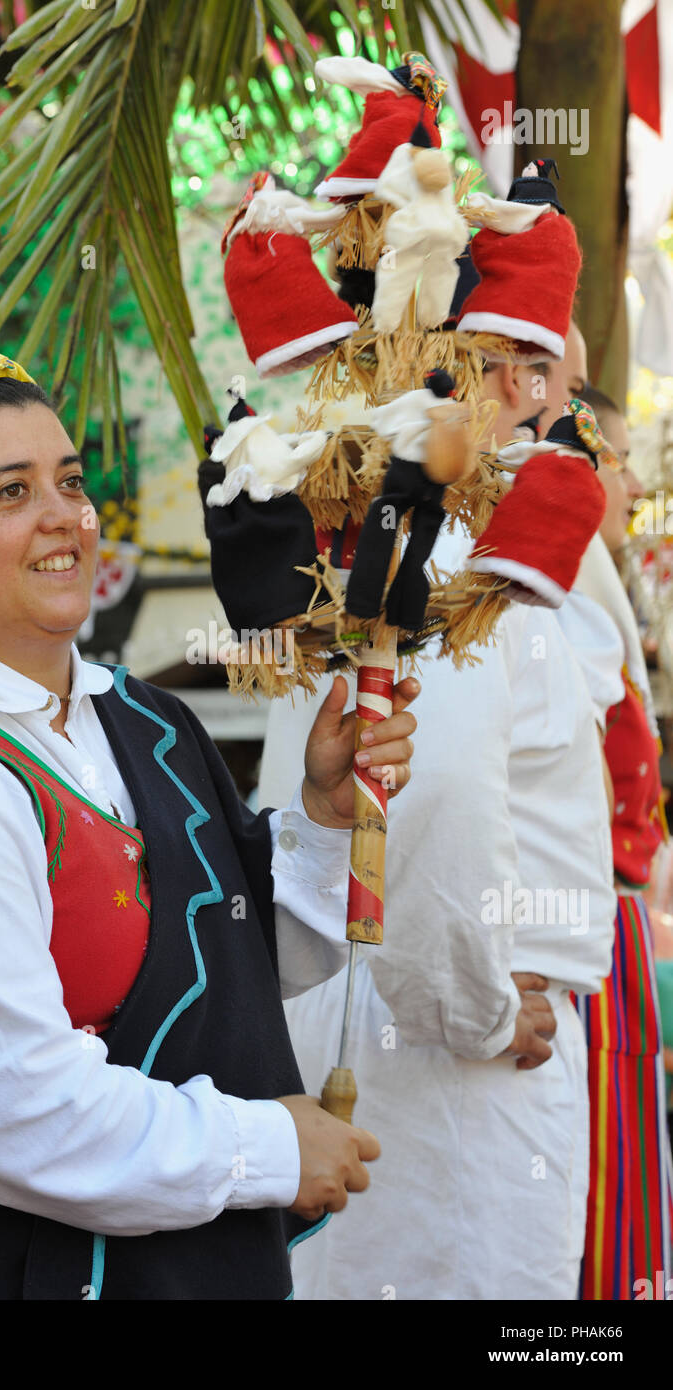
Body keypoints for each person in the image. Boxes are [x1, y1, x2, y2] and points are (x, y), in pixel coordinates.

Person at [0, 352, 419, 1301]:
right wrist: (268, 1147)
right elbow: (19, 1121)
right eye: (11, 492)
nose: (65, 516)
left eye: (71, 482)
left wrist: (321, 821)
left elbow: (241, 977)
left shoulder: (146, 721)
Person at [280, 352, 617, 1300]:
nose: (564, 411)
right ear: (512, 376)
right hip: (459, 1053)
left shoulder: (396, 539)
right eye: (554, 375)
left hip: (418, 1024)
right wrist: (478, 1014)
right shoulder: (454, 557)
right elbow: (429, 797)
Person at [565, 384, 673, 1300]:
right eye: (617, 456)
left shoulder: (588, 584)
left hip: (615, 928)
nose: (634, 479)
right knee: (600, 1221)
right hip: (586, 933)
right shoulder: (555, 587)